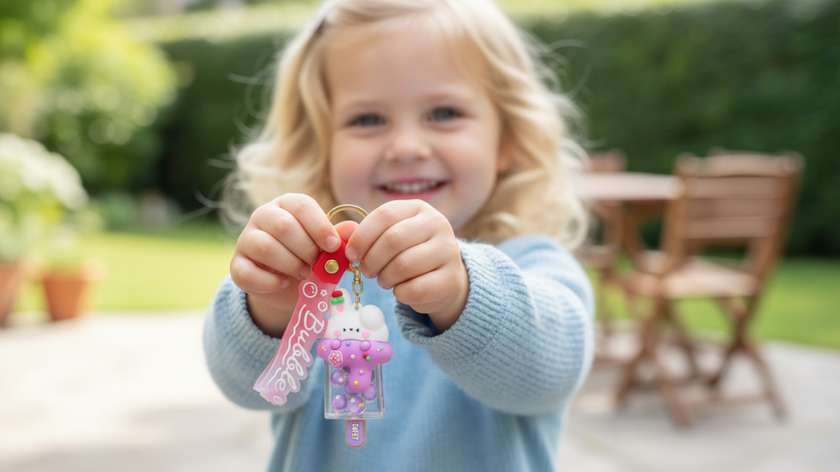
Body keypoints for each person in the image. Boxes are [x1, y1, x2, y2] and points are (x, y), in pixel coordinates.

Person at [204, 0, 594, 470]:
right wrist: (268, 308)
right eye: (367, 119)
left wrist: (464, 295)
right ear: (320, 145)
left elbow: (549, 374)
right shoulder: (313, 269)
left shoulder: (535, 264)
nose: (406, 147)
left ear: (508, 140)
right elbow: (247, 389)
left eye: (444, 112)